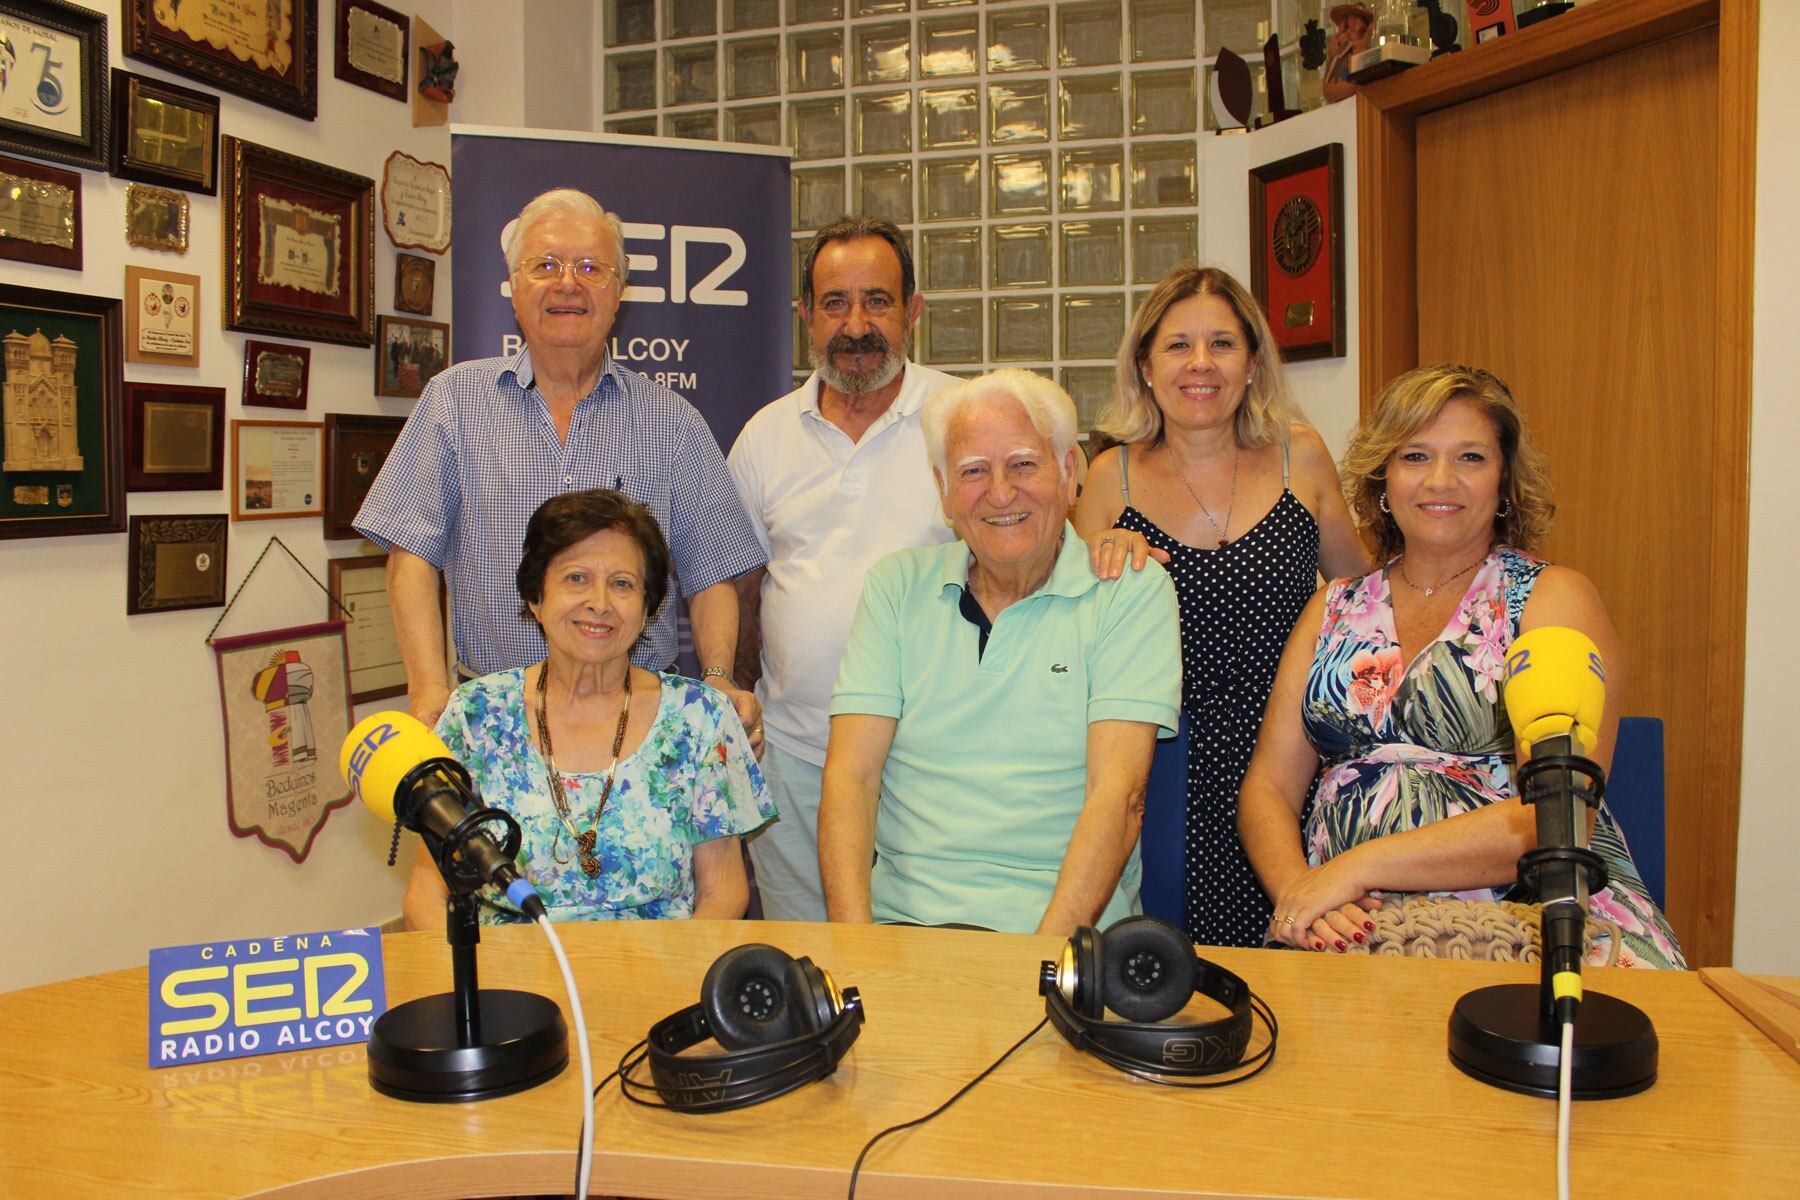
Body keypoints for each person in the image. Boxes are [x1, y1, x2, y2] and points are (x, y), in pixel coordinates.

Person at [1237, 364, 1684, 968]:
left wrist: (1354, 868)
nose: (1440, 480)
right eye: (1415, 456)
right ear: (1383, 477)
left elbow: (1557, 817)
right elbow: (1268, 786)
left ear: (1505, 481)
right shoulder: (1333, 607)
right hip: (1349, 924)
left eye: (1470, 457)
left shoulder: (1551, 598)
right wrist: (1301, 894)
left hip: (1536, 921)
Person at [355, 188, 765, 742]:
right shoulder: (453, 402)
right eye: (545, 265)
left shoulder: (673, 422)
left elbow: (713, 570)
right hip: (495, 724)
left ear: (618, 294)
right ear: (514, 288)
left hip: (640, 727)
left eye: (591, 268)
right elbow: (411, 555)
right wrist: (428, 690)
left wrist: (716, 676)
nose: (567, 283)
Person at [819, 369, 1181, 936]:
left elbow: (1119, 795)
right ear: (943, 490)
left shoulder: (1128, 592)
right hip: (904, 930)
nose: (1001, 492)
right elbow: (851, 778)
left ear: (1068, 472)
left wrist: (1038, 963)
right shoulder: (895, 587)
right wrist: (854, 948)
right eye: (972, 471)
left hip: (1061, 936)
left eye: (1023, 464)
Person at [1073, 266, 1368, 949]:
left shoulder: (1301, 456)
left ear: (1253, 363)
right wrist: (1099, 562)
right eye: (1178, 345)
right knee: (1180, 969)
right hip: (1168, 772)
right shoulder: (1110, 478)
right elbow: (1072, 641)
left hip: (1295, 764)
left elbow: (1362, 602)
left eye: (1223, 344)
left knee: (1305, 959)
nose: (1200, 363)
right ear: (1144, 367)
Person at [727, 216, 959, 922]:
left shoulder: (964, 418)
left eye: (877, 301)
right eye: (835, 303)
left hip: (933, 764)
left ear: (913, 310)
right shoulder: (765, 436)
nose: (856, 325)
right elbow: (741, 592)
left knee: (930, 955)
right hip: (793, 760)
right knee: (808, 960)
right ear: (805, 316)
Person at [401, 490, 774, 928]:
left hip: (660, 962)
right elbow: (428, 894)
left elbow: (723, 894)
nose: (599, 602)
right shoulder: (474, 715)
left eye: (622, 584)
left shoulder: (700, 717)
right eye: (576, 578)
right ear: (536, 597)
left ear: (648, 607)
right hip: (508, 966)